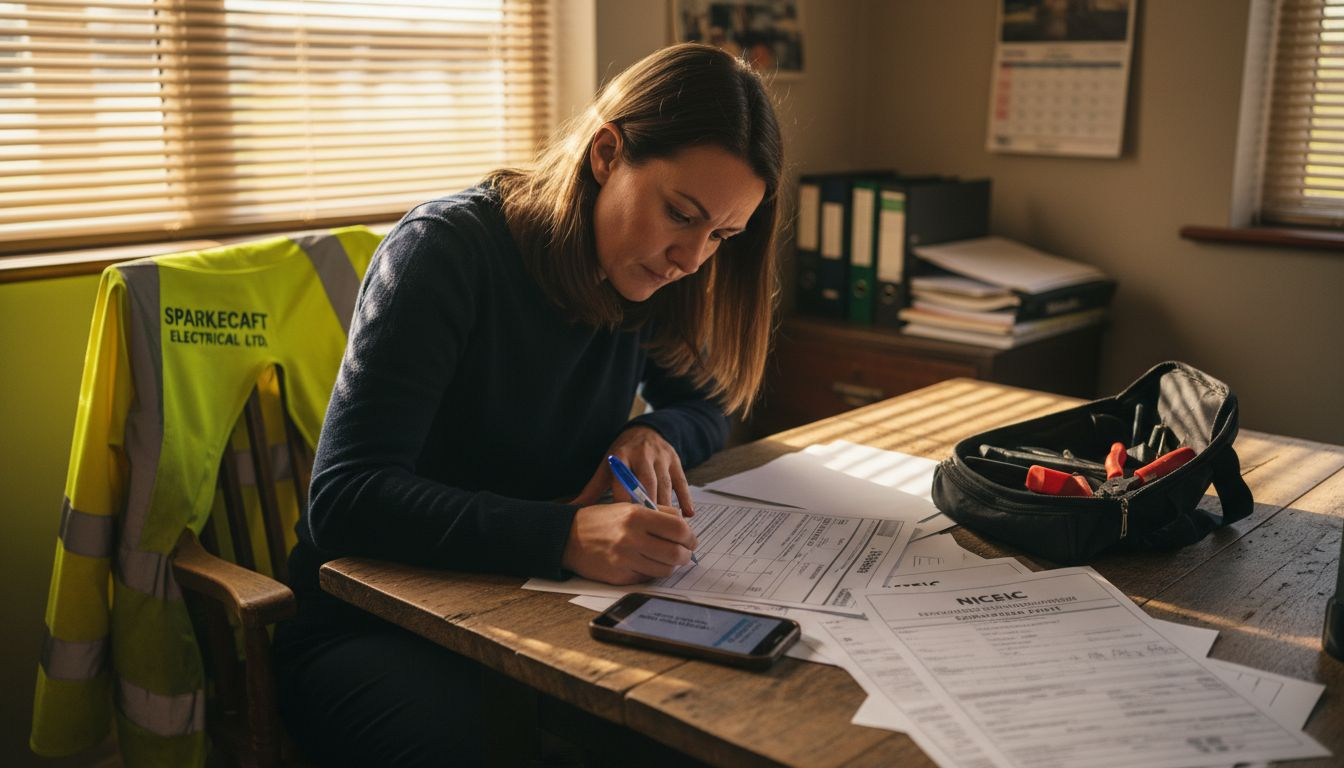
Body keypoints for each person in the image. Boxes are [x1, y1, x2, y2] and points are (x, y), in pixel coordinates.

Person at [273, 43, 783, 766]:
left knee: (710, 732)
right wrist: (563, 536)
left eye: (721, 237)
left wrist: (653, 431)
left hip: (537, 608)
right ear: (606, 154)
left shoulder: (646, 268)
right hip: (373, 625)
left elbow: (706, 407)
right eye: (680, 214)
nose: (692, 259)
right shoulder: (444, 251)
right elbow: (347, 499)